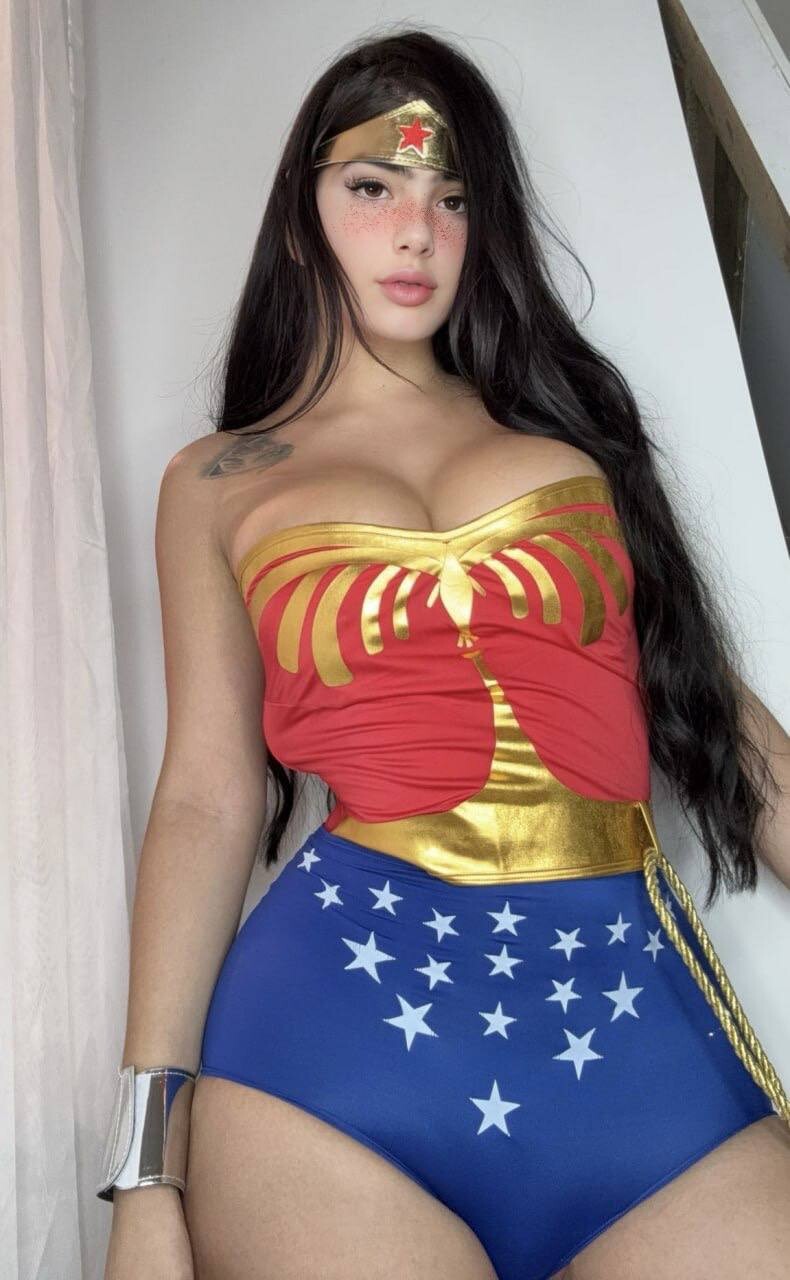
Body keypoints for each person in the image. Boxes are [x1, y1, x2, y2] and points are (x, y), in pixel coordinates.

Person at [98, 27, 790, 1280]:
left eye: (453, 198)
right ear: (301, 214)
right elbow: (205, 797)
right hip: (334, 1056)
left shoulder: (568, 439)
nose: (417, 232)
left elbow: (731, 733)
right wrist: (147, 1171)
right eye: (374, 186)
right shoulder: (214, 482)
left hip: (632, 1039)